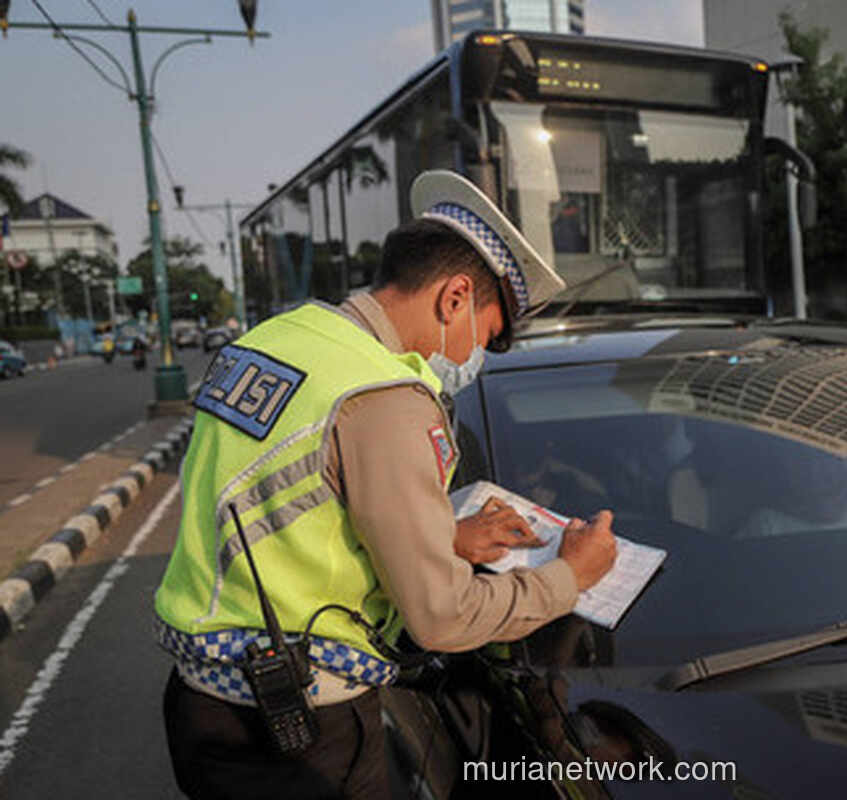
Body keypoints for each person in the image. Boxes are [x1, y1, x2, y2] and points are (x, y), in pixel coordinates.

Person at [154, 169, 618, 799]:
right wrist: (572, 577)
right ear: (454, 297)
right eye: (488, 334)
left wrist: (442, 537)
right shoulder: (384, 397)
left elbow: (287, 506)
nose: (477, 354)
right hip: (301, 734)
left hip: (200, 705)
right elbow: (443, 619)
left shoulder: (272, 341)